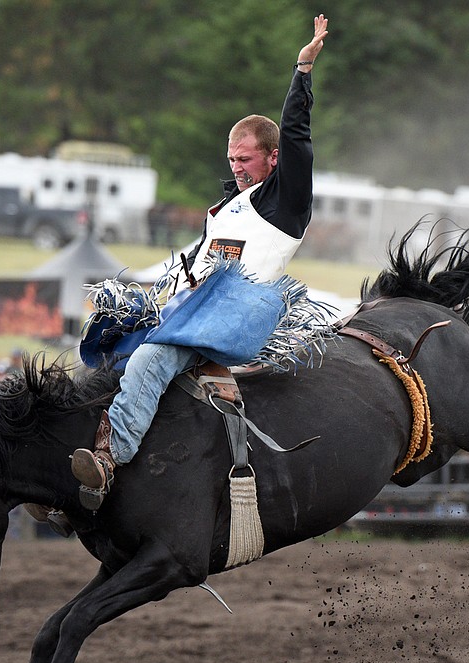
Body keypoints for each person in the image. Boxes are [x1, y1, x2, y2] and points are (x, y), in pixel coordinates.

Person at [70, 14, 329, 511]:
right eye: (231, 159)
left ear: (273, 159)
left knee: (150, 358)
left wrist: (302, 71)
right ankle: (68, 477)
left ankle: (107, 461)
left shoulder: (286, 200)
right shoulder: (232, 206)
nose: (236, 167)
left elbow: (297, 137)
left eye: (246, 159)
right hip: (191, 305)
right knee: (107, 342)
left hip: (230, 314)